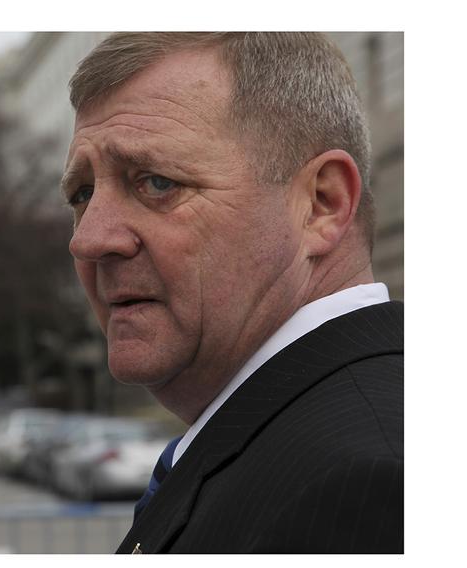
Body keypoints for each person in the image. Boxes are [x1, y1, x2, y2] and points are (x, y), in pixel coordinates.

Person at [61, 32, 402, 553]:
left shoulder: (368, 479)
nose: (88, 239)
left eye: (155, 183)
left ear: (322, 205)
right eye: (83, 194)